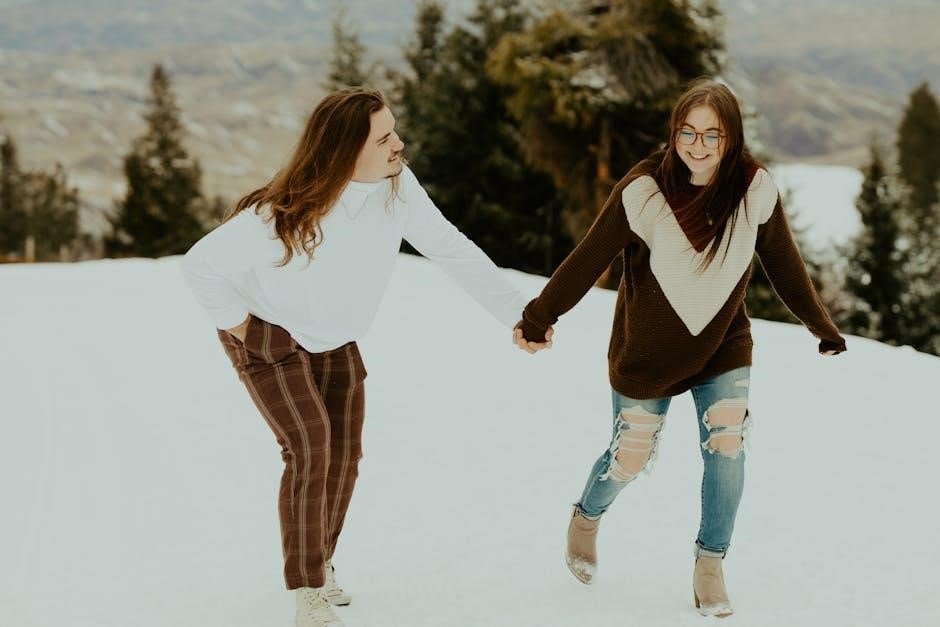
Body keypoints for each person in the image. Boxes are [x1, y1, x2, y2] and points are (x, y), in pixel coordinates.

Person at [181, 87, 551, 627]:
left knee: (345, 455)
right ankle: (307, 587)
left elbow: (447, 246)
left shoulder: (397, 187)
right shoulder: (284, 215)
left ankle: (321, 559)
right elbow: (199, 265)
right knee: (310, 448)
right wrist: (246, 329)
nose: (399, 144)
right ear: (347, 151)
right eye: (384, 138)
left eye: (394, 131)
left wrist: (517, 312)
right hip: (270, 337)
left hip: (337, 338)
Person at [512, 78, 846, 618]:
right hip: (648, 350)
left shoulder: (753, 189)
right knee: (629, 457)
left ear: (732, 138)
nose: (698, 145)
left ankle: (710, 563)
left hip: (723, 343)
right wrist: (538, 317)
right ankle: (586, 517)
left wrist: (820, 326)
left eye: (712, 135)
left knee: (727, 447)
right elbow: (589, 256)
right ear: (674, 133)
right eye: (687, 132)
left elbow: (784, 263)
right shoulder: (644, 191)